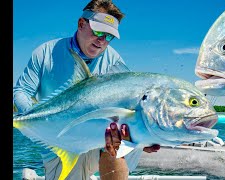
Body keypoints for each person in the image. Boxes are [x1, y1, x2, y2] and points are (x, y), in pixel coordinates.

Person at [13, 0, 159, 179]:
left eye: (109, 36)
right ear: (81, 24)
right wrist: (29, 116)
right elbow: (22, 90)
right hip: (60, 143)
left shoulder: (114, 62)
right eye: (98, 31)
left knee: (118, 140)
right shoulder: (46, 53)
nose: (102, 40)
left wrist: (144, 138)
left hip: (99, 136)